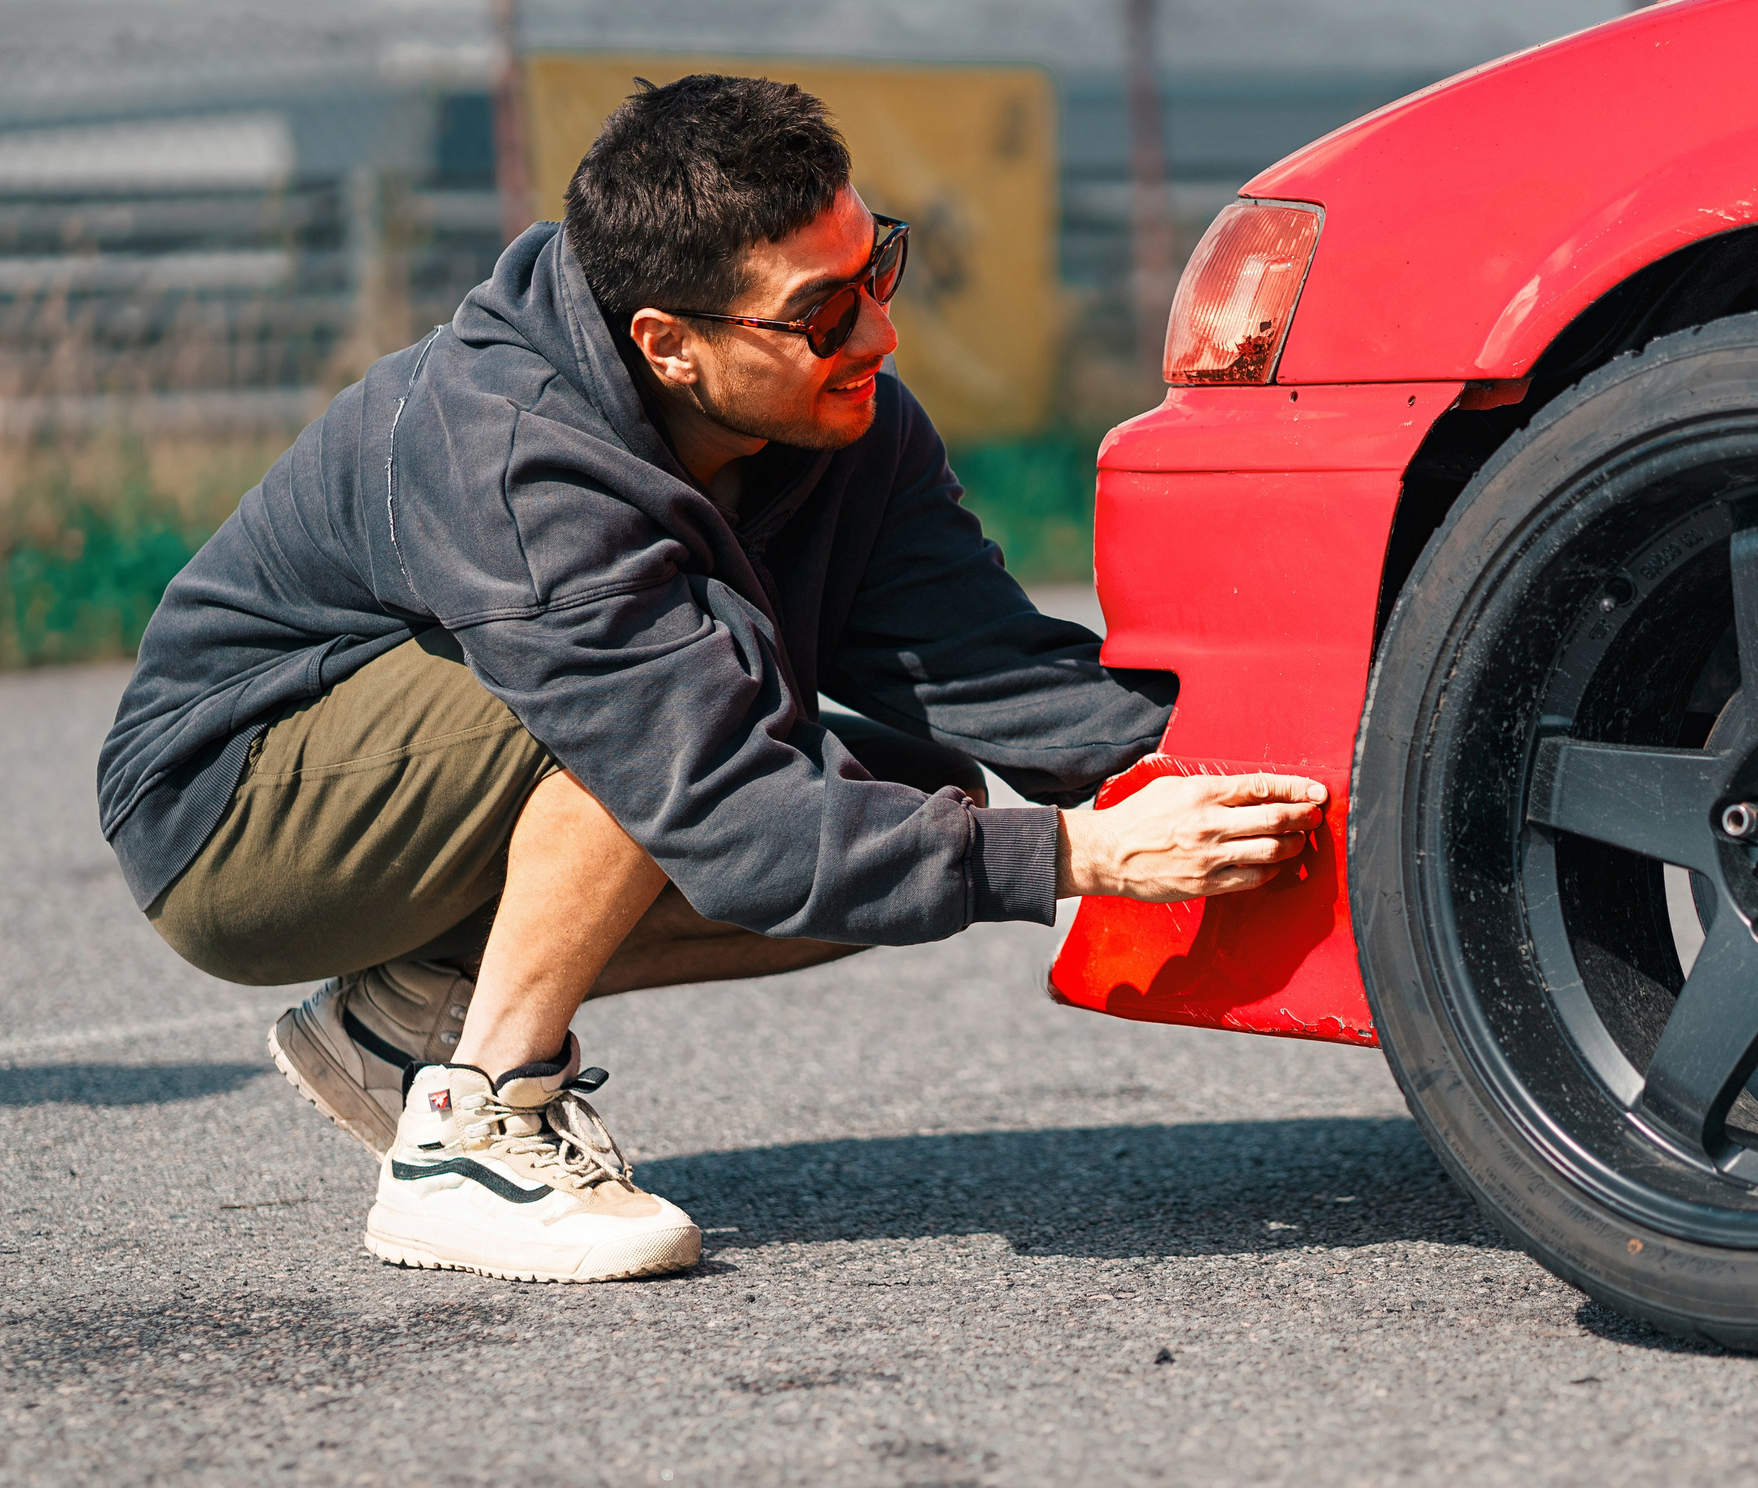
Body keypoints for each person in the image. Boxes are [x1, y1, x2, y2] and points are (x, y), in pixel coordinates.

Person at [96, 74, 1323, 1285]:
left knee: (911, 789)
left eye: (878, 270)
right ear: (669, 345)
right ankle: (468, 1142)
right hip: (237, 812)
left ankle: (408, 1016)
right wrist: (1078, 858)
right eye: (823, 314)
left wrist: (1321, 772)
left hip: (440, 776)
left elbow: (996, 674)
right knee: (686, 730)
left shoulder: (848, 427)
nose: (880, 335)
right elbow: (723, 806)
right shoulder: (517, 460)